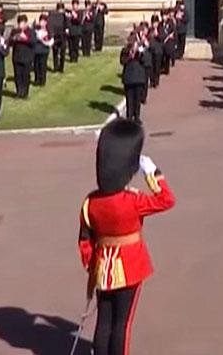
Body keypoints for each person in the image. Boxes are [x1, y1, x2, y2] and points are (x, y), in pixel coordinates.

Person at [79, 118, 176, 355]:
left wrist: (94, 266)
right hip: (130, 266)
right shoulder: (132, 201)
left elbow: (85, 240)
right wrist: (153, 173)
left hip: (103, 267)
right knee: (122, 324)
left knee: (104, 322)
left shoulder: (90, 201)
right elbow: (167, 199)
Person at [120, 29, 149, 124]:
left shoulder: (141, 51)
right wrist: (130, 55)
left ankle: (137, 117)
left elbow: (144, 61)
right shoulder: (125, 50)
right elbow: (122, 61)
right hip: (129, 78)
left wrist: (140, 52)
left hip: (138, 77)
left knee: (137, 100)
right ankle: (129, 117)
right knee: (129, 100)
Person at [10, 15, 35, 99]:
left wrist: (25, 38)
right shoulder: (15, 31)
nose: (22, 25)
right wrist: (14, 38)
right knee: (18, 75)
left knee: (25, 75)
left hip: (27, 57)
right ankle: (18, 92)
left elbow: (33, 42)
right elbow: (9, 42)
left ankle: (25, 93)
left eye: (23, 23)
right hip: (17, 57)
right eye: (20, 23)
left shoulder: (30, 31)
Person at [48, 2, 67, 73]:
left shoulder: (65, 16)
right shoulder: (53, 16)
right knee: (55, 52)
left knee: (62, 53)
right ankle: (55, 67)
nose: (61, 11)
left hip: (62, 36)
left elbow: (67, 24)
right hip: (56, 36)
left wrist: (66, 29)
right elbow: (51, 24)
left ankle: (61, 67)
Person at [33, 15, 52, 86]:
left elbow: (50, 40)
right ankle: (37, 79)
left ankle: (42, 80)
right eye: (41, 21)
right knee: (36, 65)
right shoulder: (36, 30)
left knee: (42, 65)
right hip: (36, 50)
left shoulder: (48, 30)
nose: (42, 23)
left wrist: (44, 41)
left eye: (44, 21)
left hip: (44, 50)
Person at [67, 0, 84, 64]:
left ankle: (75, 58)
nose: (74, 6)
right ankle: (71, 57)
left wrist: (75, 16)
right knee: (70, 46)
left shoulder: (80, 13)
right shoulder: (70, 13)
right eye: (73, 5)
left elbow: (79, 21)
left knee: (75, 46)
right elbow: (68, 21)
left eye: (76, 5)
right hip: (71, 31)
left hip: (77, 31)